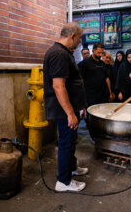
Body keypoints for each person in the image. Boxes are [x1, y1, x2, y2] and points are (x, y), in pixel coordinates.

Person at [43, 22, 88, 192]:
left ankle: (71, 169)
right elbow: (58, 86)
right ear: (72, 36)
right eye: (80, 38)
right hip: (63, 110)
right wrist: (70, 113)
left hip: (68, 108)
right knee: (66, 143)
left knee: (70, 141)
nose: (79, 42)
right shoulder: (58, 54)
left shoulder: (63, 52)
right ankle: (64, 181)